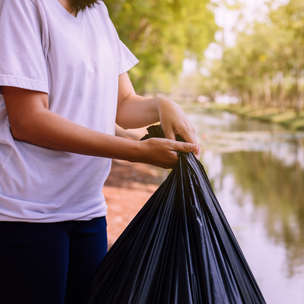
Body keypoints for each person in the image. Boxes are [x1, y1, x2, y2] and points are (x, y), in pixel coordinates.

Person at [0, 0, 200, 303]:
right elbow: (29, 121)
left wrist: (162, 105)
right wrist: (139, 152)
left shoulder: (98, 12)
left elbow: (123, 104)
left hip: (88, 210)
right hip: (27, 214)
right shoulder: (23, 5)